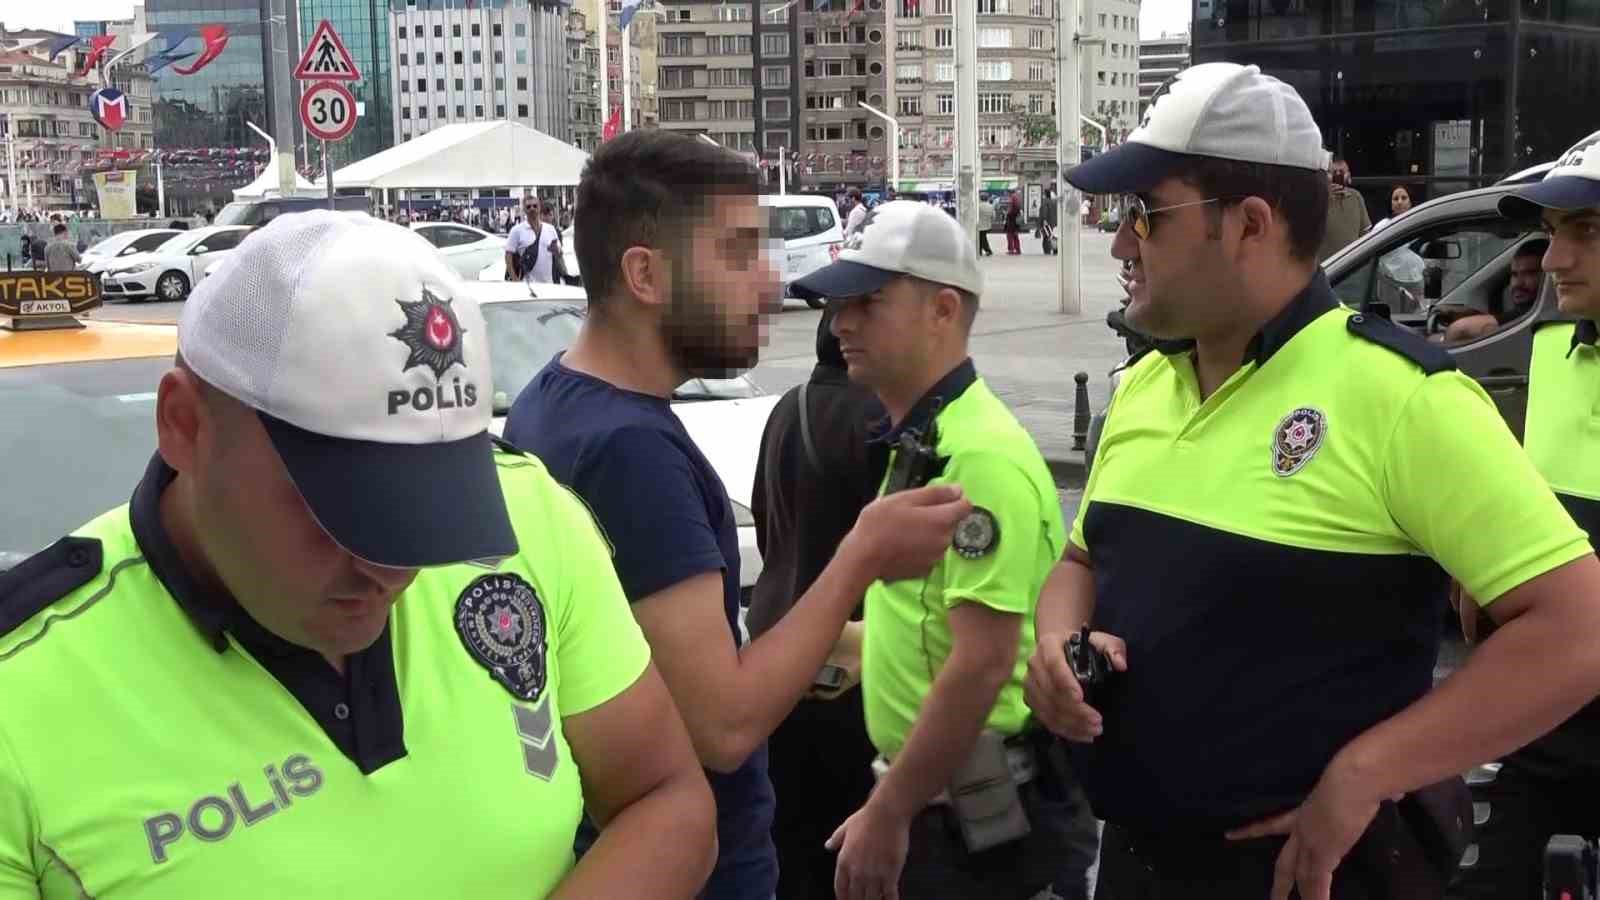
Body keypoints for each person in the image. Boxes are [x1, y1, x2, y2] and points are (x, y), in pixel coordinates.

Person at [0, 211, 718, 898]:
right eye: (344, 510)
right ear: (185, 426)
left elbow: (666, 797)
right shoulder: (23, 695)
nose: (393, 570)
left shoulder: (531, 515)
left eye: (435, 506)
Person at [1028, 62, 1600, 900]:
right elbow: (1083, 561)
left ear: (1250, 224)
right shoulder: (1149, 384)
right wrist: (1056, 643)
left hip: (1310, 876)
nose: (1119, 243)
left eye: (1144, 215)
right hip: (1134, 866)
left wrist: (1368, 773)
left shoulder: (1401, 396)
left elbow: (1577, 631)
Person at [503, 130, 973, 900]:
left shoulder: (550, 401)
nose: (769, 282)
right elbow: (719, 727)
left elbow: (660, 670)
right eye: (738, 253)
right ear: (645, 274)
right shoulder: (631, 451)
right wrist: (862, 556)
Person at [793, 200, 1098, 900]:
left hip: (983, 831)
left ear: (943, 310)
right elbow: (930, 623)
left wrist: (889, 811)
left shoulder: (979, 456)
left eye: (869, 301)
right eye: (839, 302)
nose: (841, 321)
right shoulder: (928, 438)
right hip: (952, 809)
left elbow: (984, 661)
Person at [1447, 129, 1600, 900]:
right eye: (1552, 233)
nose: (1556, 260)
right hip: (1548, 739)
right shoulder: (1559, 347)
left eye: (1588, 232)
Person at [750, 308, 889, 899]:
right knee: (846, 847)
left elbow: (763, 519)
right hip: (851, 670)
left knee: (790, 844)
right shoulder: (882, 420)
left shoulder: (787, 407)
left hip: (777, 651)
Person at [1443, 239, 1547, 344]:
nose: (1517, 283)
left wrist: (1441, 339)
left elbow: (1461, 330)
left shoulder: (1542, 312)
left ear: (1549, 276)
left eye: (1529, 273)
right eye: (1514, 275)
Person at [1317, 155, 1373, 262]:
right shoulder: (1319, 199)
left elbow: (1366, 234)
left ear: (1349, 176)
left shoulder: (1356, 197)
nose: (1338, 175)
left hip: (1353, 265)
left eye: (1342, 172)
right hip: (1327, 266)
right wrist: (1327, 197)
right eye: (1333, 172)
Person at [504, 194, 561, 284]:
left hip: (549, 284)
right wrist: (515, 280)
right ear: (524, 210)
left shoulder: (550, 229)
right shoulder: (517, 230)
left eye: (535, 206)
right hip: (527, 287)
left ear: (539, 208)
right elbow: (508, 256)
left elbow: (558, 254)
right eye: (528, 207)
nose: (532, 209)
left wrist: (555, 250)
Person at [1040, 185, 1059, 256]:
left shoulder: (1045, 202)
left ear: (1045, 194)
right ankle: (1055, 249)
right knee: (1054, 236)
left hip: (1047, 222)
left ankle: (1047, 250)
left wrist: (1044, 219)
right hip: (1054, 222)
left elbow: (1044, 211)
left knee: (1046, 237)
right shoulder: (1054, 202)